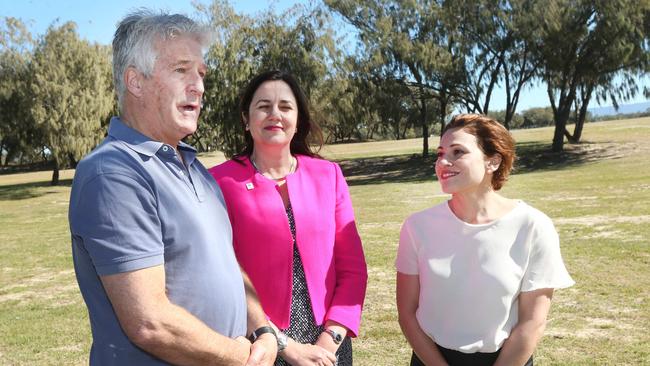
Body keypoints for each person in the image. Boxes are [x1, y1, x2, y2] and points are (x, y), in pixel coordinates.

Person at [69, 10, 277, 365]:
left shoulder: (198, 171)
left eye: (201, 73)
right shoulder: (113, 173)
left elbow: (227, 263)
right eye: (181, 70)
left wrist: (263, 331)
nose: (199, 86)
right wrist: (241, 357)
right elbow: (150, 322)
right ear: (135, 81)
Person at [209, 70, 368, 366]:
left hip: (328, 346)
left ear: (299, 119)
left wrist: (329, 341)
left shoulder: (328, 176)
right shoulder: (218, 183)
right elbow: (220, 275)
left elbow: (353, 269)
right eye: (263, 106)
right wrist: (285, 345)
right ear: (246, 118)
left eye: (285, 106)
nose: (274, 114)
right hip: (257, 344)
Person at [396, 114, 574, 366]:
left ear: (493, 161)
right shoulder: (417, 227)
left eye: (458, 152)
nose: (443, 161)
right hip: (431, 359)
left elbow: (532, 322)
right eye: (440, 153)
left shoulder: (534, 226)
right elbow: (407, 314)